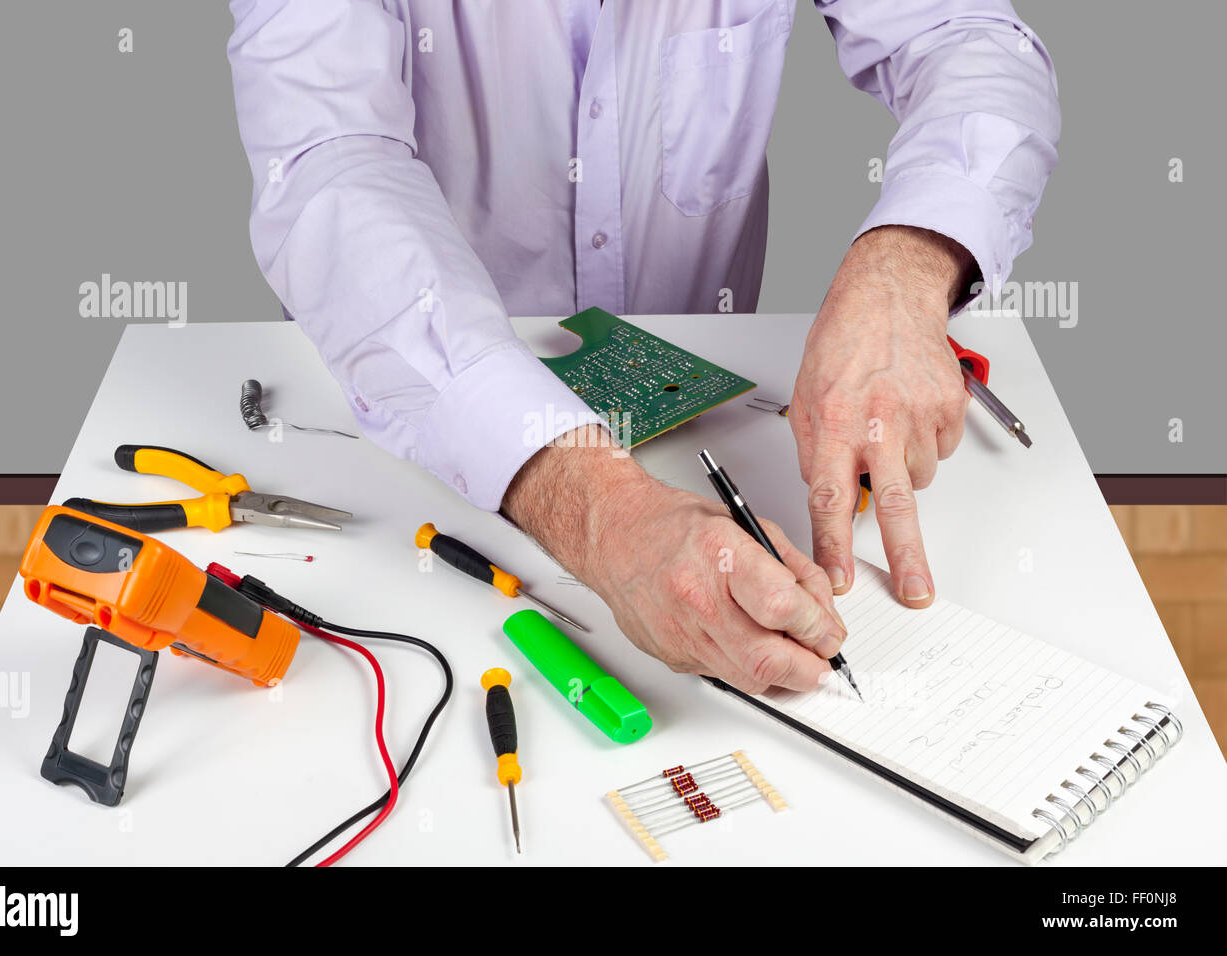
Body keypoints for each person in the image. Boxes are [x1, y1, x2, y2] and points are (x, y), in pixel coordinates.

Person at [226, 0, 1060, 694]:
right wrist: (597, 513)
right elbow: (327, 162)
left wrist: (904, 267)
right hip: (438, 433)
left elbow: (968, 39)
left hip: (712, 420)